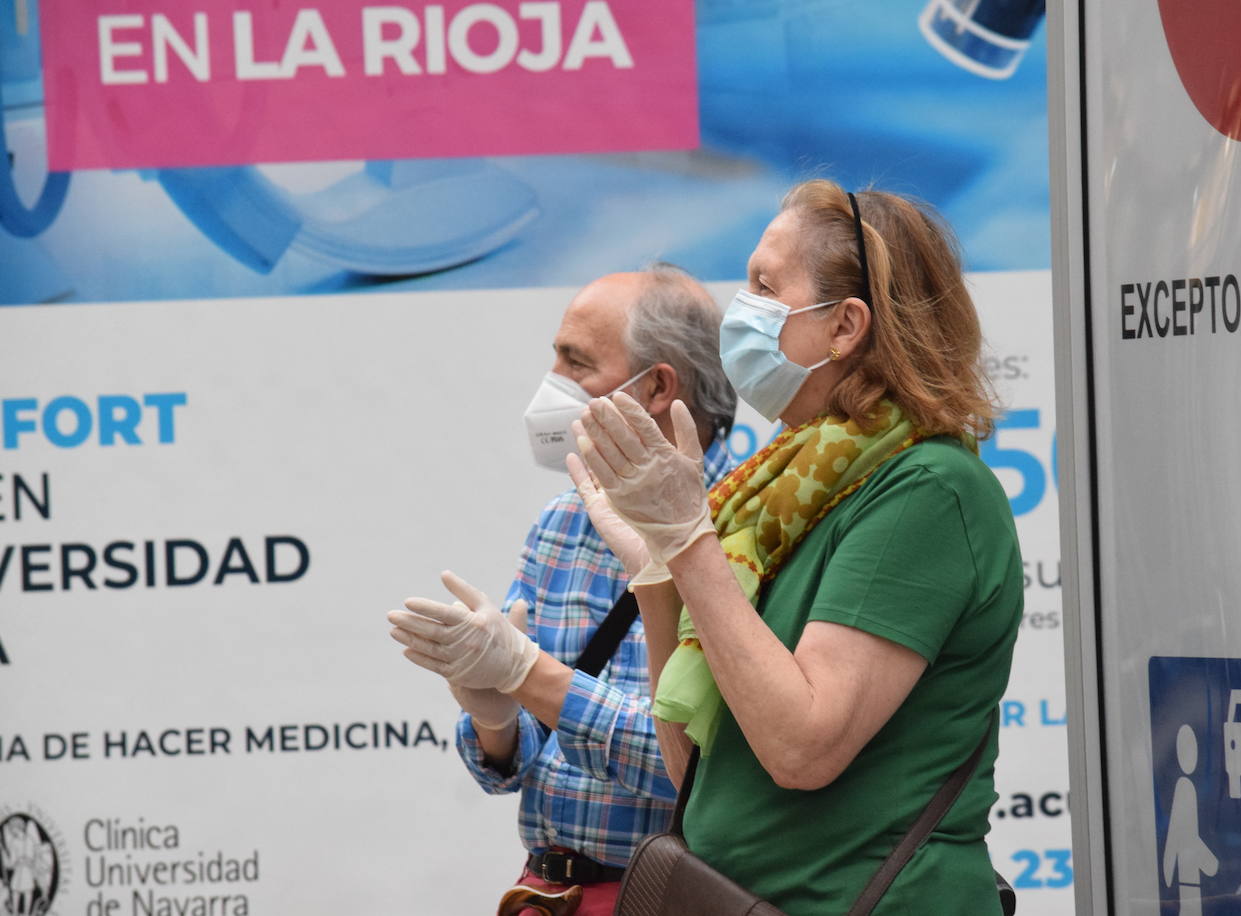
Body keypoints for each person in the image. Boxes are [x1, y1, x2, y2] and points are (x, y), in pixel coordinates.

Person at [570, 180, 1023, 914]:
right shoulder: (785, 487)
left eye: (763, 285)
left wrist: (690, 544)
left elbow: (802, 749)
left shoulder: (928, 491)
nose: (738, 308)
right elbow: (692, 762)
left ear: (846, 325)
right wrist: (657, 570)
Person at [386, 265, 737, 915]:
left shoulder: (741, 525)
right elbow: (513, 763)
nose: (553, 386)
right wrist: (495, 717)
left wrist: (529, 675)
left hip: (668, 896)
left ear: (658, 386)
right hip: (547, 894)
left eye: (577, 364)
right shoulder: (564, 517)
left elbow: (697, 770)